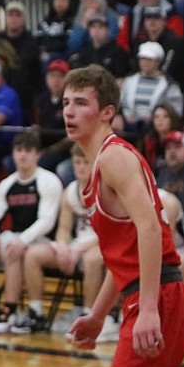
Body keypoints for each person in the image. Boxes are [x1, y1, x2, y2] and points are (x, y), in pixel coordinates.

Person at [62, 64, 184, 367]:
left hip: (159, 296)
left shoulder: (113, 158)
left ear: (107, 112)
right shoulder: (100, 164)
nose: (69, 111)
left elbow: (150, 229)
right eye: (65, 102)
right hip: (153, 293)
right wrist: (99, 315)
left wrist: (150, 308)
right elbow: (125, 255)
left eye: (81, 103)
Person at [0, 131, 62, 333]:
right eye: (19, 150)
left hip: (42, 239)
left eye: (28, 151)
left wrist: (22, 240)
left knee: (14, 248)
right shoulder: (7, 184)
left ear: (38, 155)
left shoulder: (48, 181)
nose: (23, 155)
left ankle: (10, 310)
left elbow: (47, 221)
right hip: (15, 235)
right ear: (13, 153)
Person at [18, 145, 113, 338]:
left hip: (103, 244)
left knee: (92, 260)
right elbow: (63, 228)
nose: (80, 167)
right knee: (33, 254)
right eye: (77, 162)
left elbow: (108, 232)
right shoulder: (70, 191)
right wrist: (63, 247)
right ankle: (36, 313)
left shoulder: (106, 190)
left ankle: (89, 316)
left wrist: (77, 249)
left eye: (85, 162)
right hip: (78, 245)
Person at [114, 42, 184, 135]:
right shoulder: (129, 81)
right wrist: (123, 116)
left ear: (158, 62)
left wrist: (156, 117)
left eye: (150, 59)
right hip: (129, 124)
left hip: (154, 128)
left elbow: (176, 110)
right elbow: (121, 103)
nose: (145, 62)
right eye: (143, 58)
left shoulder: (169, 84)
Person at [68, 13, 131, 79]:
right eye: (93, 27)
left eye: (100, 27)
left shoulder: (117, 51)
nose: (96, 30)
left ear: (107, 30)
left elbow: (122, 75)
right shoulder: (85, 52)